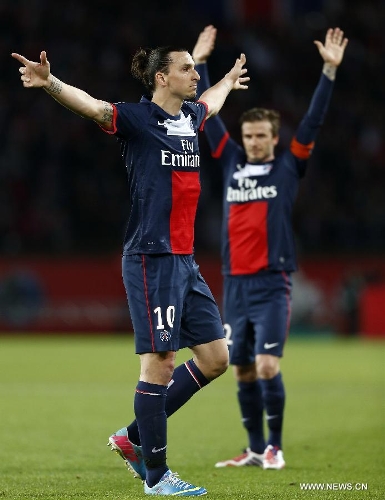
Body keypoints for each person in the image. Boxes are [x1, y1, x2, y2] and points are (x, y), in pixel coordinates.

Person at [12, 42, 249, 496]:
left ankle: (131, 437)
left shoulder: (191, 118)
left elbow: (212, 103)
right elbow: (96, 109)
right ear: (162, 77)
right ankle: (157, 477)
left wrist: (226, 82)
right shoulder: (139, 120)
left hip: (184, 260)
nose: (194, 75)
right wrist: (49, 83)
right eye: (186, 69)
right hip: (150, 258)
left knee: (216, 359)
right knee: (159, 364)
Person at [191, 25, 348, 470]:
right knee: (239, 369)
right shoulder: (231, 161)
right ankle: (255, 448)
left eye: (262, 136)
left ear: (275, 139)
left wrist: (329, 73)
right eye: (250, 135)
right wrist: (201, 64)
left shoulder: (288, 168)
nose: (255, 141)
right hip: (235, 285)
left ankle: (275, 448)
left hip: (272, 284)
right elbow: (209, 115)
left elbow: (314, 120)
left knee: (266, 367)